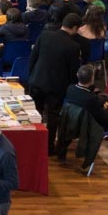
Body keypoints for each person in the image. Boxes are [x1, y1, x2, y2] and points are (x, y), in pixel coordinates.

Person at [28, 13, 83, 155]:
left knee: (34, 113)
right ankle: (48, 147)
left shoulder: (45, 35)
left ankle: (32, 141)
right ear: (75, 28)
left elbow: (33, 58)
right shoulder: (73, 46)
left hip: (37, 80)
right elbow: (73, 72)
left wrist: (31, 76)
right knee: (53, 117)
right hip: (56, 86)